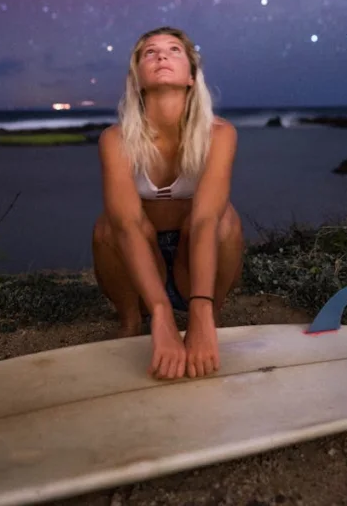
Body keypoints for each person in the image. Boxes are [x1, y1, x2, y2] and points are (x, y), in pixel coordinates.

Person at [92, 26, 244, 381]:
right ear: (138, 79)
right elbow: (127, 225)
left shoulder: (220, 134)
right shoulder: (115, 140)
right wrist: (161, 314)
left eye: (174, 50)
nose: (161, 56)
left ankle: (207, 320)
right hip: (140, 259)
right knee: (108, 225)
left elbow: (206, 219)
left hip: (197, 256)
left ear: (191, 76)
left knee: (224, 221)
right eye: (150, 52)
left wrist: (201, 309)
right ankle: (133, 321)